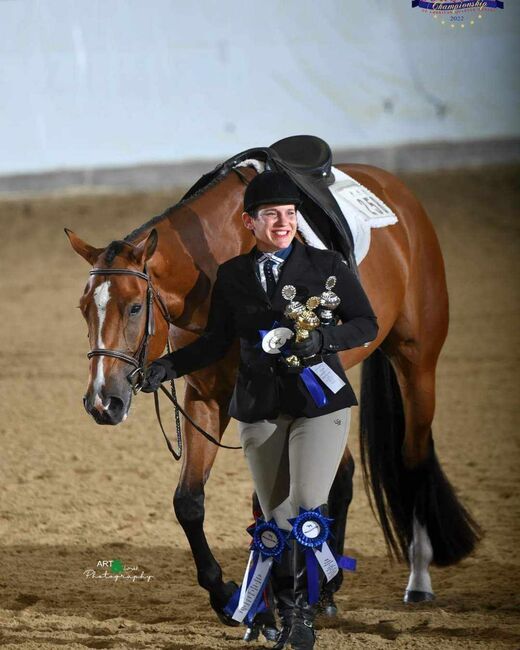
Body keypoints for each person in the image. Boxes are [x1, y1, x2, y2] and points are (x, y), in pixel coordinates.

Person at [142, 171, 378, 650]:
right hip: (260, 410)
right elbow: (215, 342)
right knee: (275, 520)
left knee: (305, 505)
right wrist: (164, 368)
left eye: (289, 215)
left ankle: (303, 612)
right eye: (271, 215)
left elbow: (366, 323)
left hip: (320, 405)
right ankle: (291, 615)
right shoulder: (232, 276)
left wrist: (323, 339)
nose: (282, 223)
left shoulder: (326, 265)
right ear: (249, 222)